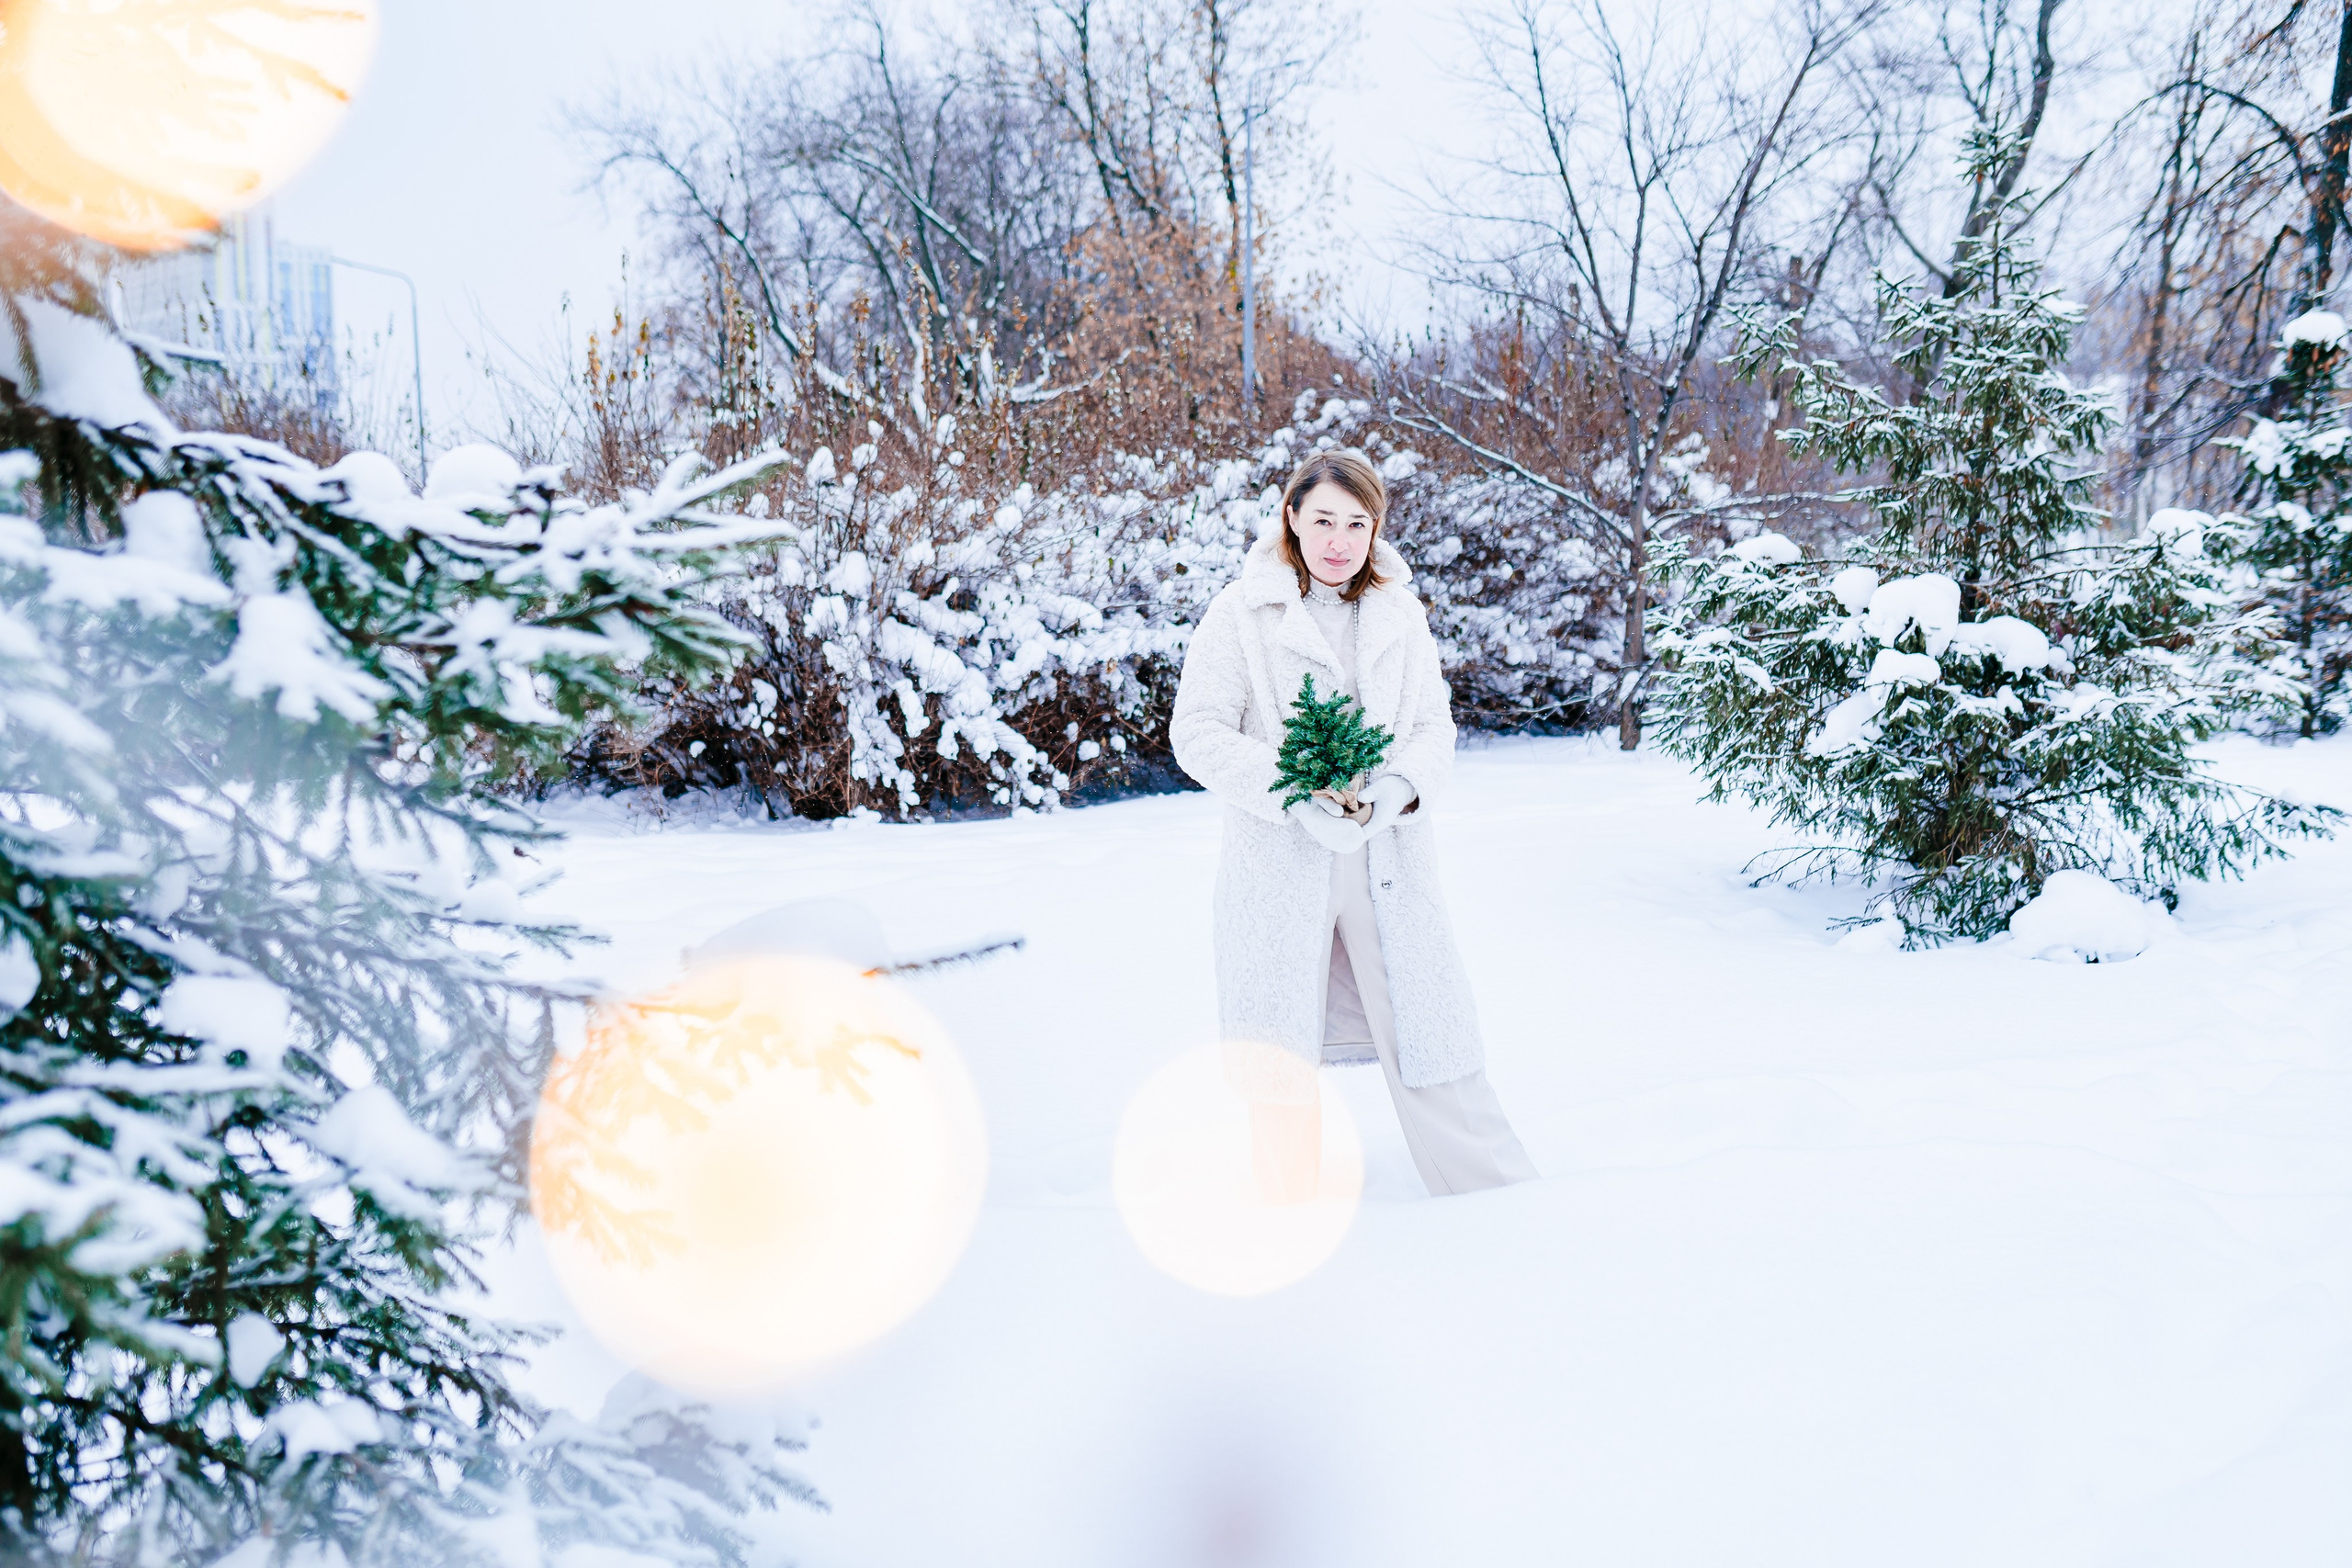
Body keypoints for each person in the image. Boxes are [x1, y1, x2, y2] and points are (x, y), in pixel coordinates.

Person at [1169, 448, 1537, 1200]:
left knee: (1432, 1036)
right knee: (1279, 1054)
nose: (1340, 539)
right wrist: (1294, 791)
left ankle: (1501, 1199)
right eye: (1325, 520)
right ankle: (1286, 1214)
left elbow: (1435, 727)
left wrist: (1398, 789)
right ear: (1292, 518)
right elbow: (1197, 733)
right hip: (1279, 860)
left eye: (1357, 523)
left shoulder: (1399, 611)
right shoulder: (1241, 612)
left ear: (1375, 530)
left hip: (1388, 859)